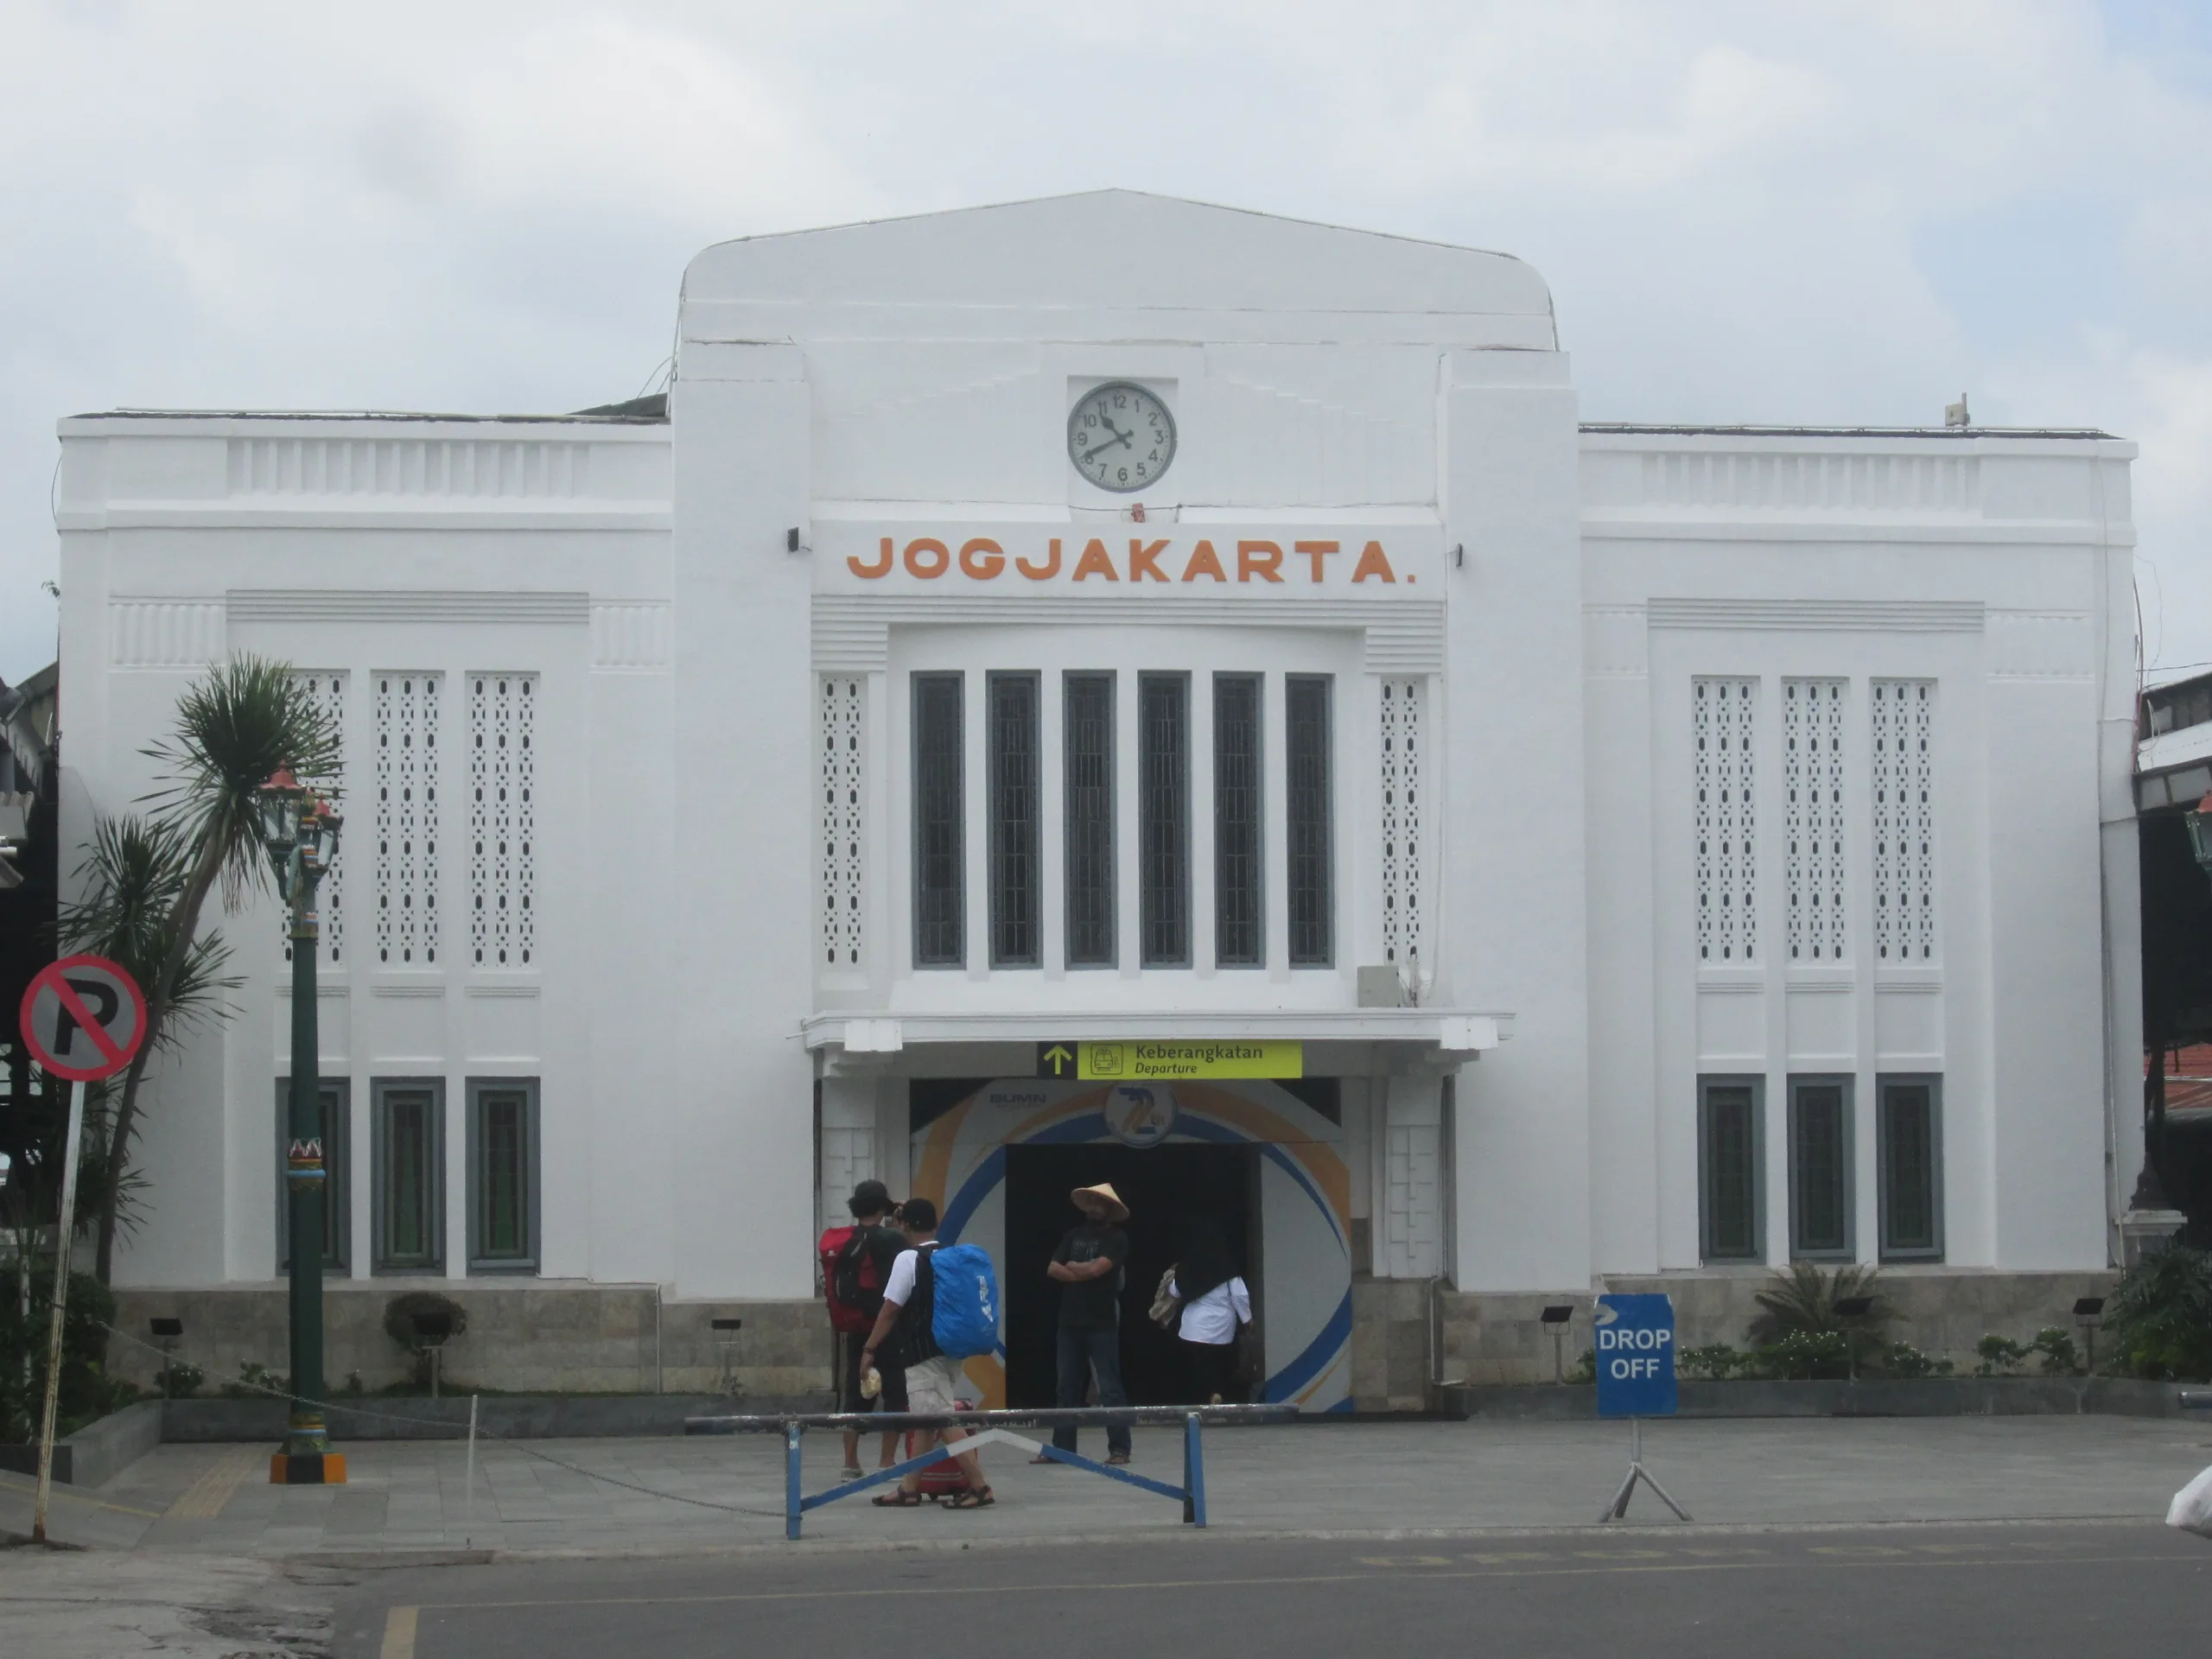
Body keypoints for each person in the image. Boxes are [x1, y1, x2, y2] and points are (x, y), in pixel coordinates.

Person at [859, 1198, 993, 1509]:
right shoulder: (947, 1255)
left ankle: (980, 1485)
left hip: (922, 1351)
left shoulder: (909, 1259)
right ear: (935, 1222)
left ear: (904, 1224)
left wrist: (869, 1348)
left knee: (938, 1417)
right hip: (951, 1348)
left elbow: (891, 1309)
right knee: (926, 1419)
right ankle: (909, 1487)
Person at [817, 1179, 908, 1481]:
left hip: (857, 1329)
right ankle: (887, 1461)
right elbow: (915, 1263)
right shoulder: (893, 1239)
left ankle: (851, 1463)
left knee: (855, 1396)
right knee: (895, 1394)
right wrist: (902, 1225)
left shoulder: (846, 1241)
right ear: (884, 1207)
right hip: (889, 1329)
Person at [1039, 1182, 1133, 1466]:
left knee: (1110, 1388)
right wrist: (1085, 1272)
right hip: (1069, 1321)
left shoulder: (1117, 1238)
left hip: (1101, 1321)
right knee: (1065, 1388)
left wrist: (1076, 1269)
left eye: (1098, 1203)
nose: (1093, 1207)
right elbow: (1052, 1268)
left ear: (1109, 1209)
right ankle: (1062, 1449)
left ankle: (1119, 1449)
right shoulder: (1074, 1235)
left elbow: (1097, 1268)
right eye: (1090, 1202)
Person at [1170, 1217, 1253, 1405]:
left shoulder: (1187, 1267)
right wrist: (1247, 1318)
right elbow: (1240, 1296)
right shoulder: (1228, 1267)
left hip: (1194, 1325)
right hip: (1223, 1324)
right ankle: (1219, 1391)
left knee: (1201, 1362)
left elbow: (1175, 1291)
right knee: (1222, 1361)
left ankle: (1209, 1393)